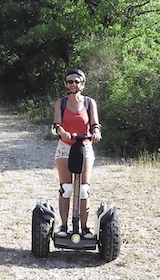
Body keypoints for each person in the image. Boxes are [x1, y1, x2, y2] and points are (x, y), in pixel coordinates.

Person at [51, 68, 101, 239]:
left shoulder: (89, 103)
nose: (73, 84)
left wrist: (96, 133)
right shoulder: (61, 103)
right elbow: (56, 124)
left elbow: (95, 124)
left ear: (83, 84)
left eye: (76, 81)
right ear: (66, 84)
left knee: (84, 189)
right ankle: (64, 226)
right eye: (70, 81)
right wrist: (62, 131)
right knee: (66, 188)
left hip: (84, 146)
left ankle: (85, 227)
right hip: (65, 146)